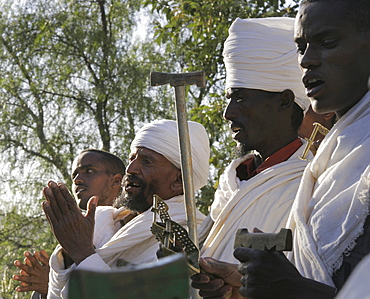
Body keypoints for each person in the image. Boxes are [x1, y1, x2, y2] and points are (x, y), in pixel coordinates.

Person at [232, 0, 370, 298]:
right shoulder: (331, 157)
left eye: (327, 43)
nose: (307, 60)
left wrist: (292, 289)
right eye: (301, 47)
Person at [192, 16, 311, 297]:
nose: (228, 113)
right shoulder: (233, 178)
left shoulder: (311, 182)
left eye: (241, 98)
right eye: (229, 98)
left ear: (284, 100)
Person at [43, 119, 209, 298]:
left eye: (146, 162)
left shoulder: (190, 236)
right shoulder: (105, 222)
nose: (130, 169)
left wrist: (83, 254)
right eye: (132, 158)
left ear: (178, 181)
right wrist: (69, 253)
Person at [13, 149, 126, 299]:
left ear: (116, 181)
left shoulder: (133, 229)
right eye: (74, 175)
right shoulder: (72, 234)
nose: (77, 180)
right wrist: (52, 283)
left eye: (89, 171)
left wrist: (59, 281)